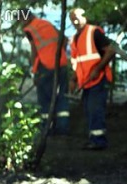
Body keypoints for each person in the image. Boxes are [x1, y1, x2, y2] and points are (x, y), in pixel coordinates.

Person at [68, 8, 116, 150]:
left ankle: (99, 142)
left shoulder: (93, 32)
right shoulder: (75, 38)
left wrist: (98, 68)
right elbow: (78, 62)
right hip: (86, 81)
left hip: (99, 79)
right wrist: (73, 79)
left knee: (95, 109)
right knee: (90, 110)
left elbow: (111, 50)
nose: (75, 21)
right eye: (72, 19)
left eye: (76, 17)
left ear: (85, 17)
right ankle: (94, 139)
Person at [19, 9, 70, 135]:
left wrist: (33, 69)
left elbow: (34, 50)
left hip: (46, 66)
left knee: (45, 98)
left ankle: (47, 128)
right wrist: (57, 52)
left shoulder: (29, 29)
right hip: (61, 63)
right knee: (61, 95)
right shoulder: (46, 23)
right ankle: (63, 128)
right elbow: (65, 39)